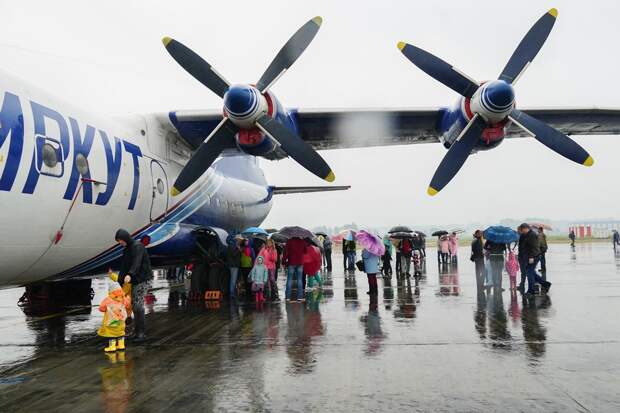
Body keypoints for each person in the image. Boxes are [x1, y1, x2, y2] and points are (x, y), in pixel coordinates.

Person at [115, 229, 152, 342]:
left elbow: (137, 262)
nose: (120, 243)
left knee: (137, 305)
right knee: (134, 304)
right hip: (134, 280)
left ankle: (141, 333)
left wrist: (130, 274)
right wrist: (119, 281)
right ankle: (137, 332)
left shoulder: (137, 246)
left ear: (125, 238)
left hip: (142, 279)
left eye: (120, 240)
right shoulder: (127, 250)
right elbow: (124, 266)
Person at [98, 280, 131, 352]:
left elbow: (101, 308)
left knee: (111, 334)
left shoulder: (108, 299)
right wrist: (127, 298)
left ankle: (112, 347)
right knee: (120, 332)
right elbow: (128, 305)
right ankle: (121, 345)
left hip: (111, 321)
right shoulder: (123, 298)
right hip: (121, 321)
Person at [518, 223, 551, 296]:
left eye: (522, 229)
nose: (521, 231)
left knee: (529, 273)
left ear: (526, 228)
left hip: (534, 257)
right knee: (531, 273)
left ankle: (531, 291)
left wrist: (531, 257)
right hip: (525, 257)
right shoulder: (523, 235)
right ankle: (545, 284)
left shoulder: (532, 235)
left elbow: (534, 247)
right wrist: (520, 256)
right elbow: (521, 247)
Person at [283, 237, 306, 301]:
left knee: (289, 279)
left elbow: (285, 252)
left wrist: (284, 261)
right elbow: (305, 251)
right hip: (300, 262)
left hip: (291, 262)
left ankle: (288, 297)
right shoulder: (302, 241)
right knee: (299, 280)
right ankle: (299, 297)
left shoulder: (289, 241)